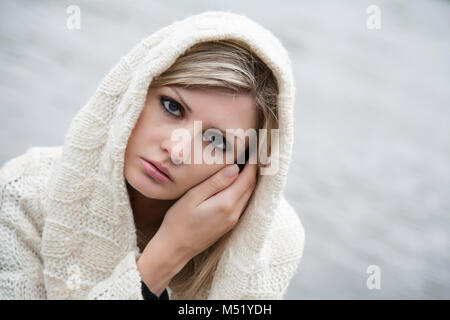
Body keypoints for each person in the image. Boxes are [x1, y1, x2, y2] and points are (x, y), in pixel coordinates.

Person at [0, 10, 305, 300]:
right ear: (136, 90)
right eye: (172, 107)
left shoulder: (271, 242)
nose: (176, 150)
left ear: (245, 165)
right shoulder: (24, 195)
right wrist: (166, 257)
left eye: (216, 140)